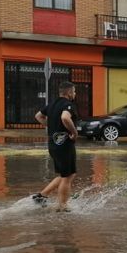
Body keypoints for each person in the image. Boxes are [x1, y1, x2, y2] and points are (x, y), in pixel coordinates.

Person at [33, 81, 78, 211]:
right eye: (74, 92)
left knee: (64, 174)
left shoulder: (52, 104)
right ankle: (62, 206)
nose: (74, 94)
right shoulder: (68, 105)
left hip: (53, 144)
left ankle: (41, 196)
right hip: (64, 144)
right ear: (69, 92)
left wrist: (50, 124)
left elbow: (38, 116)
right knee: (68, 176)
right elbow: (65, 118)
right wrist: (74, 133)